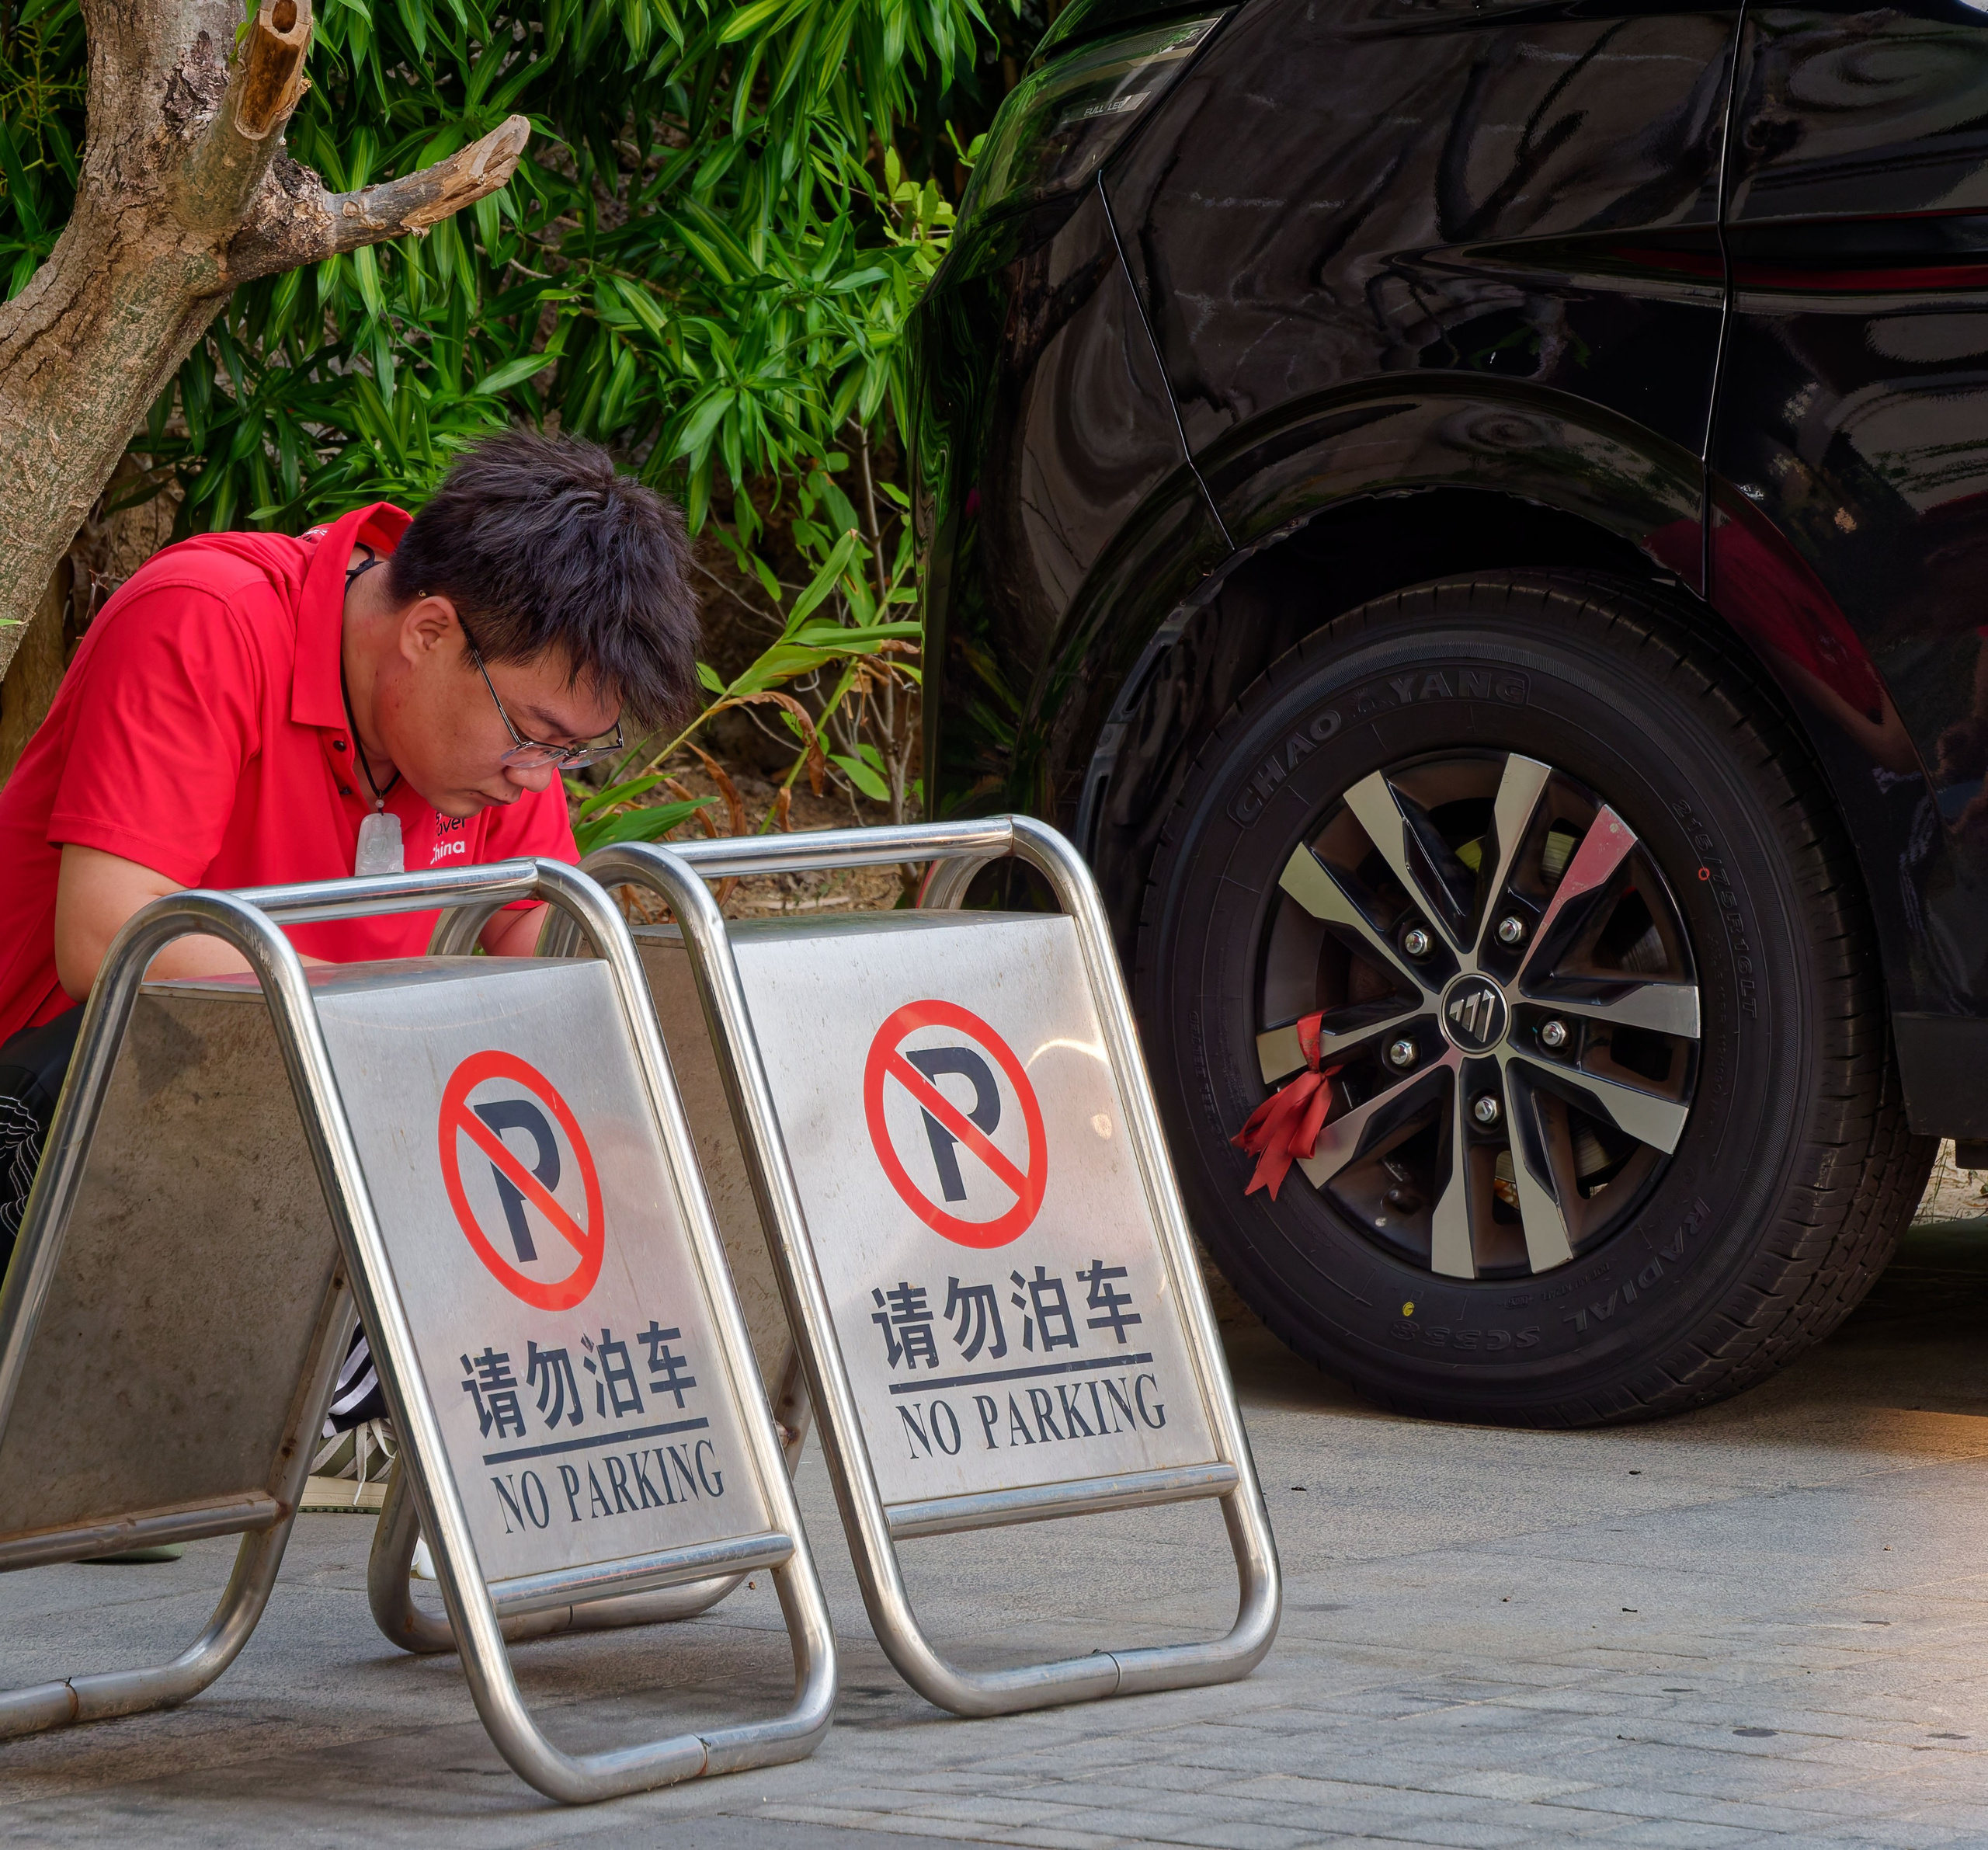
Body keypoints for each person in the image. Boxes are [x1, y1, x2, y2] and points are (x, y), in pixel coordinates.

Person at [0, 430, 700, 1532]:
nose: (536, 778)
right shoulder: (210, 620)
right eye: (536, 738)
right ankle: (264, 1412)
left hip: (311, 1135)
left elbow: (549, 972)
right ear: (428, 632)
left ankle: (328, 1400)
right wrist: (417, 1038)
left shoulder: (496, 737)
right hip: (67, 1117)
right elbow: (110, 940)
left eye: (568, 757)